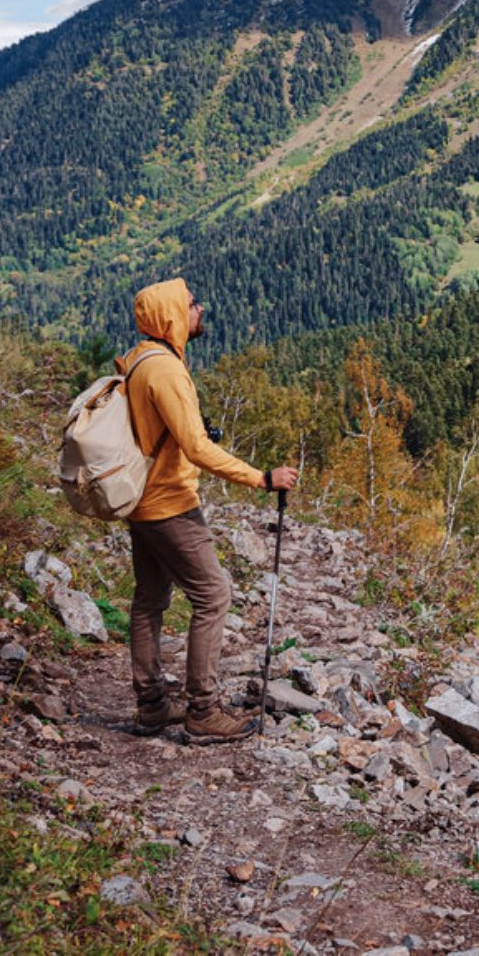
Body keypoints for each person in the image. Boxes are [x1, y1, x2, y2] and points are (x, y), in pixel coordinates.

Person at [119, 276, 297, 741]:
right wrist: (261, 478)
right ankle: (203, 711)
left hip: (141, 502)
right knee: (214, 596)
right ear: (172, 316)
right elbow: (195, 447)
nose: (200, 309)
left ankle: (152, 705)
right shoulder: (166, 370)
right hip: (170, 504)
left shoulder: (140, 360)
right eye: (192, 304)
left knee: (149, 601)